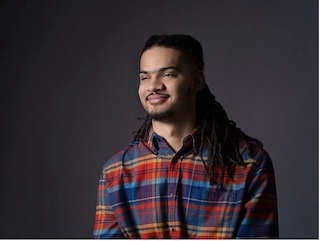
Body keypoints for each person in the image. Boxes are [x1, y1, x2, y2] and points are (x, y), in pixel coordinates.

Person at [93, 34, 279, 238]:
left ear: (197, 81)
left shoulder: (250, 163)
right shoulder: (114, 172)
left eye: (168, 74)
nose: (153, 85)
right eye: (145, 77)